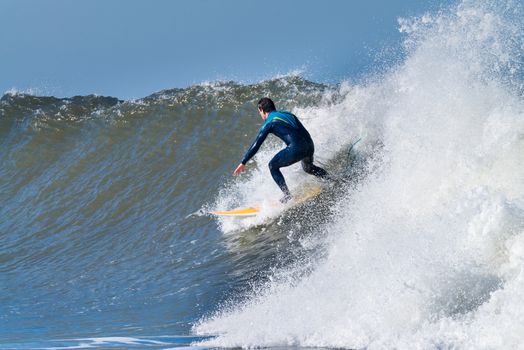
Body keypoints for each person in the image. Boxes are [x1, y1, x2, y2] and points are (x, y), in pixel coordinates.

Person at [233, 97, 331, 203]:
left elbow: (256, 145)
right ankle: (330, 179)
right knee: (308, 168)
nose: (260, 115)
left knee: (272, 166)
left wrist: (243, 162)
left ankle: (287, 195)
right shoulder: (288, 114)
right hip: (309, 145)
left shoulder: (269, 123)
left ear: (261, 109)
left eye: (259, 112)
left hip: (296, 148)